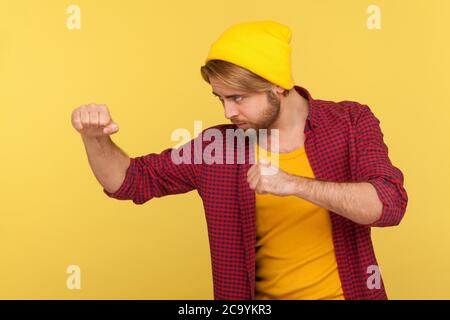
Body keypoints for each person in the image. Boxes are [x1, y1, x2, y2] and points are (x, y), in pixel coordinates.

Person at [71, 21, 408, 300]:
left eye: (238, 98)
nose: (228, 112)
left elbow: (388, 204)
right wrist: (95, 138)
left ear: (276, 86)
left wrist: (292, 184)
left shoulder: (350, 121)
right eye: (220, 98)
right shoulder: (218, 146)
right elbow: (130, 181)